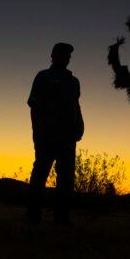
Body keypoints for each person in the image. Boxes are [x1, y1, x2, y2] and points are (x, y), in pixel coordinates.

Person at [27, 43, 84, 224]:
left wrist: (80, 124)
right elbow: (34, 105)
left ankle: (61, 217)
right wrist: (36, 131)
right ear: (52, 55)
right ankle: (33, 214)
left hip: (67, 137)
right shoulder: (43, 77)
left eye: (68, 55)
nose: (65, 58)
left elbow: (76, 105)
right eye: (61, 54)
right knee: (41, 173)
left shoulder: (73, 81)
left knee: (66, 178)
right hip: (47, 135)